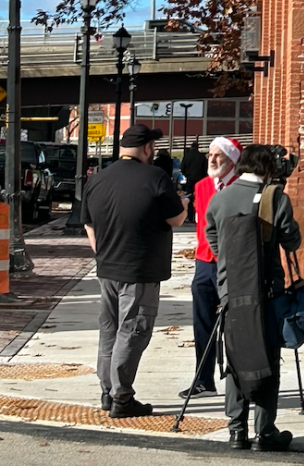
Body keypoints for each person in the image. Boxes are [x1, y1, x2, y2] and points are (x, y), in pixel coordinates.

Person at [80, 122, 187, 418]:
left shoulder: (98, 179)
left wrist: (102, 253)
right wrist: (186, 205)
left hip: (107, 268)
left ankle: (107, 391)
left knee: (109, 332)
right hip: (140, 270)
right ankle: (122, 398)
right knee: (133, 332)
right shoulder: (156, 177)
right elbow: (176, 219)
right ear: (147, 148)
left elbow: (88, 223)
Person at [206, 144, 301, 452]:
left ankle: (236, 431)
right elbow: (292, 240)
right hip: (267, 293)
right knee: (266, 359)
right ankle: (264, 432)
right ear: (266, 168)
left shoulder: (219, 199)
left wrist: (229, 262)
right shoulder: (276, 199)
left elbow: (211, 237)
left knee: (235, 357)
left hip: (231, 291)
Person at [179, 135, 242, 398]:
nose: (213, 160)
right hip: (204, 263)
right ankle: (204, 379)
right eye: (211, 155)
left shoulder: (243, 187)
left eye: (219, 156)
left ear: (233, 162)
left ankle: (238, 379)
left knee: (236, 324)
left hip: (235, 265)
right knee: (203, 321)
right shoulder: (203, 186)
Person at [180, 138, 207, 224]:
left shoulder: (187, 156)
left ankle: (189, 216)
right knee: (200, 199)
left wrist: (187, 175)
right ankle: (198, 216)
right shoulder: (201, 156)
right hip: (199, 180)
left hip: (190, 179)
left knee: (188, 198)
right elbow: (205, 169)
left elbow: (182, 168)